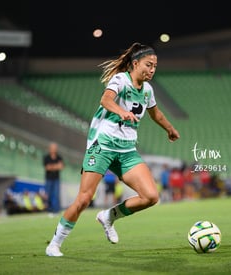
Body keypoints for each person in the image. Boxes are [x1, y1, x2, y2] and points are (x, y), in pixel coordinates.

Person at [45, 42, 180, 257]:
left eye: (155, 66)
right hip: (103, 145)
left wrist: (170, 129)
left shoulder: (147, 91)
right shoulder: (121, 80)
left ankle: (109, 217)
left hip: (126, 151)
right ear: (135, 64)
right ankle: (54, 243)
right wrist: (121, 112)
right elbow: (106, 100)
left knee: (151, 196)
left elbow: (156, 114)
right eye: (148, 65)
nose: (152, 70)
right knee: (84, 199)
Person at [43, 142, 64, 216]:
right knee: (48, 195)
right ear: (50, 149)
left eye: (55, 148)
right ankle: (49, 210)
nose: (54, 149)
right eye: (53, 148)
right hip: (48, 179)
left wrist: (52, 166)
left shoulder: (59, 157)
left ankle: (56, 210)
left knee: (56, 194)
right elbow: (47, 167)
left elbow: (61, 166)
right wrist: (56, 166)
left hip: (56, 179)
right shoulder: (46, 157)